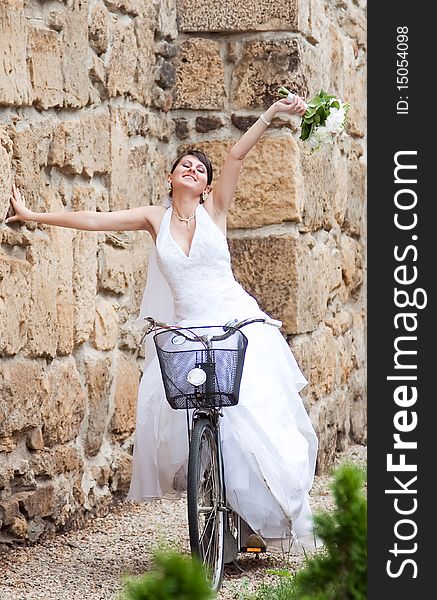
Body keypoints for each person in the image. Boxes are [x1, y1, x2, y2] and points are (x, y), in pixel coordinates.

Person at [6, 94, 320, 551]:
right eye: (185, 165)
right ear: (171, 177)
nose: (193, 170)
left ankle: (253, 521)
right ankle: (222, 514)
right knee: (212, 427)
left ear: (208, 187)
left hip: (235, 322)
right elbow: (96, 220)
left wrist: (271, 114)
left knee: (256, 423)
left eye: (200, 170)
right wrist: (34, 215)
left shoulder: (216, 212)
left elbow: (235, 154)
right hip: (190, 329)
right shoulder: (156, 219)